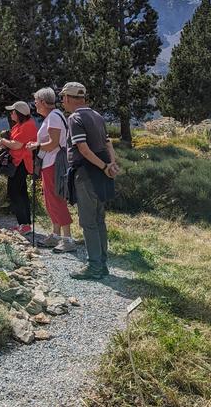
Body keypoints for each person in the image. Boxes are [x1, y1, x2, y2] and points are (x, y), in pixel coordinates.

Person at [60, 82, 119, 280]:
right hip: (102, 174)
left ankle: (94, 266)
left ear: (68, 98)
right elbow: (108, 144)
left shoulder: (75, 118)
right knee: (99, 219)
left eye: (63, 98)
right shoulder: (97, 116)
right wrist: (110, 165)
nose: (63, 102)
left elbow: (83, 149)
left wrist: (103, 166)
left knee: (88, 222)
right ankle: (102, 263)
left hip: (86, 174)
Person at [27, 88, 76, 253]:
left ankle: (67, 238)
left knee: (55, 198)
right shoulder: (55, 116)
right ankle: (56, 234)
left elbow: (53, 143)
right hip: (52, 162)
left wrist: (36, 145)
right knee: (51, 198)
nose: (35, 104)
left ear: (42, 101)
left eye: (35, 101)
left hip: (53, 163)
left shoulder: (53, 118)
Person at [0, 101, 38, 234]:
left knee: (14, 192)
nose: (11, 113)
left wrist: (3, 141)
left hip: (21, 163)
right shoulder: (22, 124)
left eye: (13, 111)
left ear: (19, 113)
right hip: (19, 162)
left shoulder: (27, 126)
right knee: (21, 192)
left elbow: (17, 145)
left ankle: (24, 224)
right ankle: (24, 224)